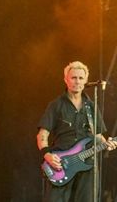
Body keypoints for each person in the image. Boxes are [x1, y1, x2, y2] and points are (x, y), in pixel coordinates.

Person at [36, 61, 117, 202]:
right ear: (66, 80)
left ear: (85, 81)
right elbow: (42, 135)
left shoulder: (91, 106)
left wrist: (108, 144)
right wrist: (47, 155)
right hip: (61, 165)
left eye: (80, 78)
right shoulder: (56, 105)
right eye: (73, 77)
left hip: (87, 165)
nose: (77, 81)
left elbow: (98, 137)